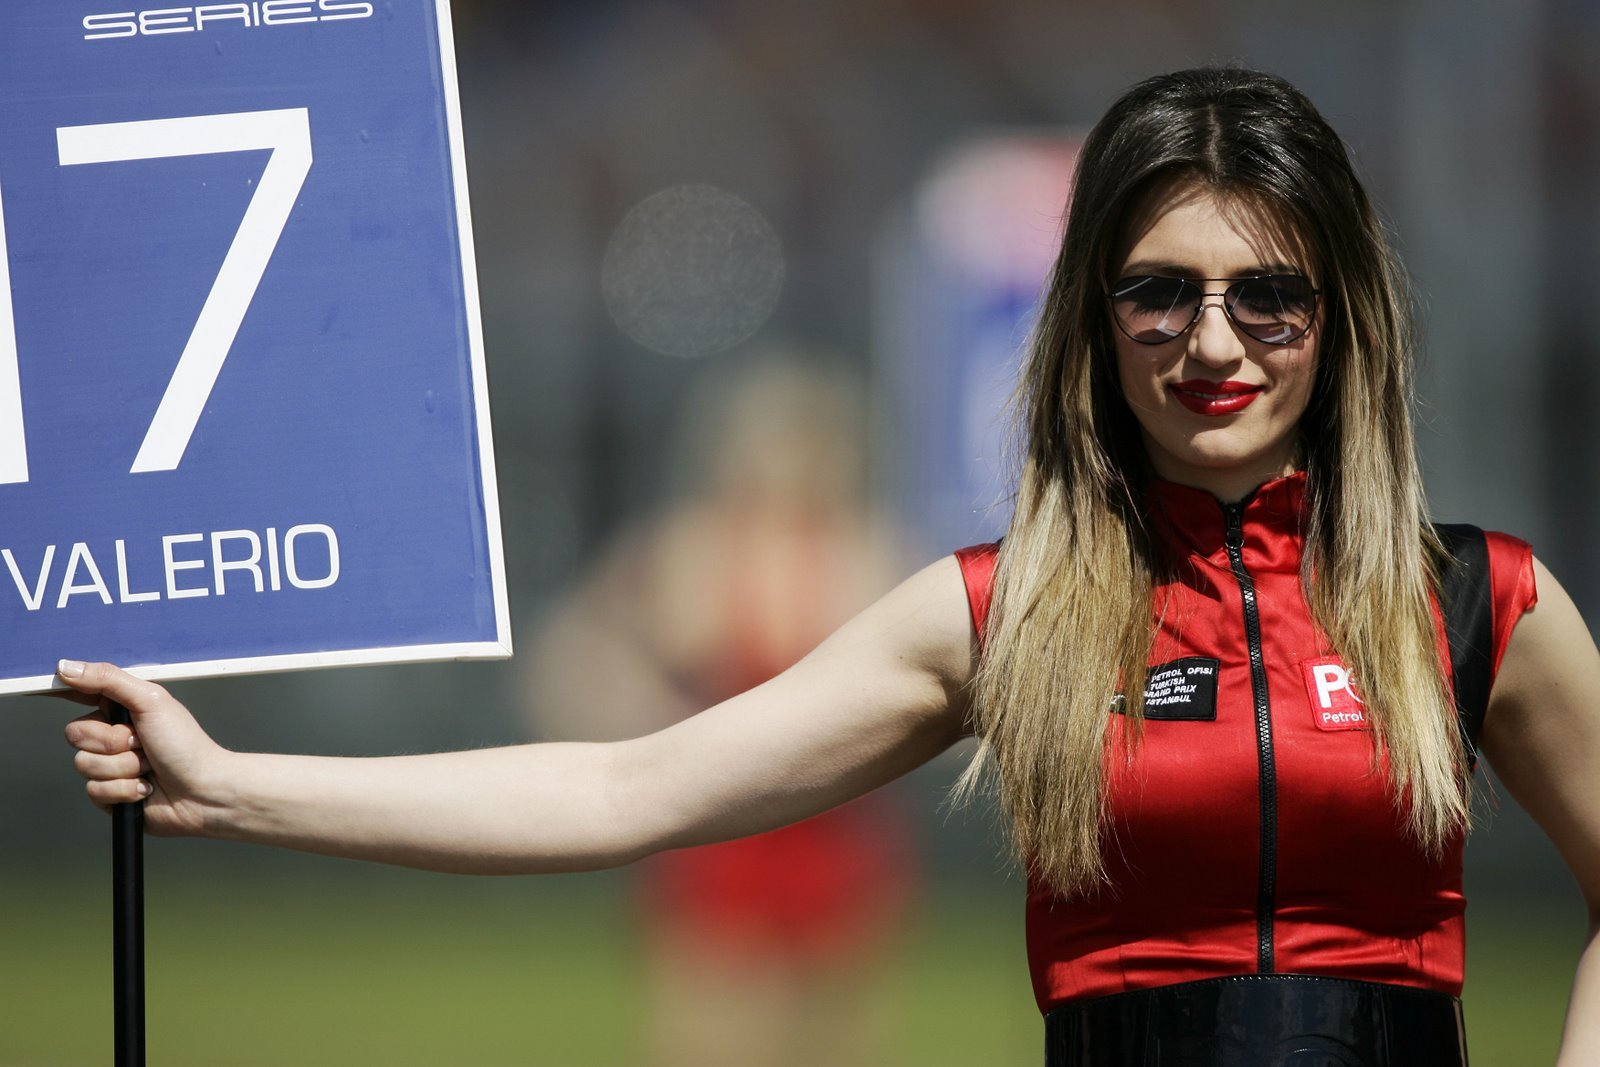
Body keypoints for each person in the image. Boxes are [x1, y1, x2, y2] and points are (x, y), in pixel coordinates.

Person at [60, 67, 1600, 1066]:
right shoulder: (1010, 610)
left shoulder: (1480, 601)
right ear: (1093, 320)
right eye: (1159, 293)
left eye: (1270, 296)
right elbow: (626, 790)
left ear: (1340, 326)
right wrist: (233, 788)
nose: (1213, 342)